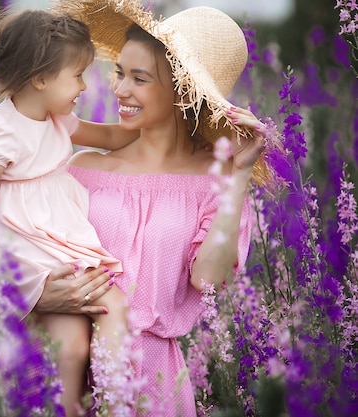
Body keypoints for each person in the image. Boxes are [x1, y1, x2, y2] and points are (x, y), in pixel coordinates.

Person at [33, 0, 283, 415]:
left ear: (183, 90)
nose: (119, 90)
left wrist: (239, 176)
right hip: (68, 370)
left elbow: (208, 280)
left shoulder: (215, 182)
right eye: (119, 73)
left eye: (139, 78)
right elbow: (30, 260)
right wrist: (41, 296)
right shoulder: (82, 168)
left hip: (156, 381)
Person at [0, 8, 139, 416]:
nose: (85, 85)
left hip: (58, 238)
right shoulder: (4, 133)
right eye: (78, 74)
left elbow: (111, 137)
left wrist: (167, 120)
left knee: (74, 345)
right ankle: (105, 405)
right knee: (108, 308)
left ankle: (86, 404)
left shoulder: (57, 118)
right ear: (41, 78)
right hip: (27, 251)